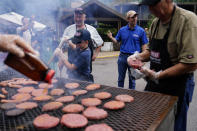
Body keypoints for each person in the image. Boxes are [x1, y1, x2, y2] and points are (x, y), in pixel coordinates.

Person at [127, 0, 197, 131]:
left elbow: (191, 64)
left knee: (173, 124)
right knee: (148, 121)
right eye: (149, 5)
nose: (151, 9)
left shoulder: (187, 20)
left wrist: (158, 75)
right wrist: (137, 56)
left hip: (178, 84)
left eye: (154, 4)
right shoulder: (155, 23)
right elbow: (151, 50)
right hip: (155, 82)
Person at [107, 10, 148, 89]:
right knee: (120, 79)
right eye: (133, 17)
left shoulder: (141, 31)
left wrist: (143, 59)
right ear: (128, 19)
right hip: (122, 57)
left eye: (136, 17)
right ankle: (119, 94)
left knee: (132, 79)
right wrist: (111, 37)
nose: (135, 19)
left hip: (134, 58)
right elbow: (117, 41)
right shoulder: (122, 30)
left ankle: (131, 96)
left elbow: (144, 45)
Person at [58, 8, 103, 78]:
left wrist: (95, 55)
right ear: (74, 17)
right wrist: (61, 60)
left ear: (84, 17)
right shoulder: (68, 30)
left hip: (84, 67)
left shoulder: (91, 30)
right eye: (76, 16)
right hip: (71, 64)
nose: (78, 19)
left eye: (80, 17)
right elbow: (62, 46)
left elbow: (100, 43)